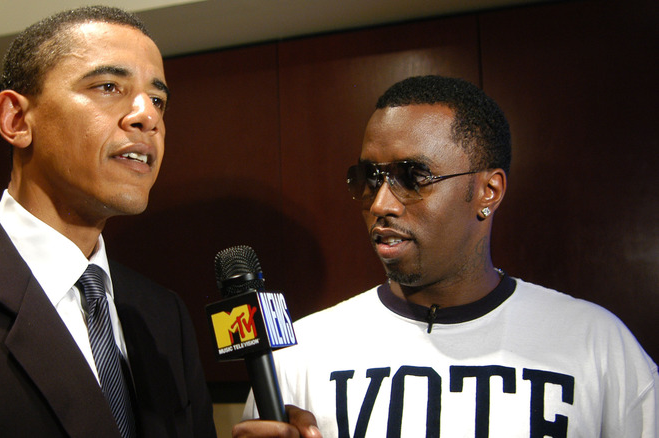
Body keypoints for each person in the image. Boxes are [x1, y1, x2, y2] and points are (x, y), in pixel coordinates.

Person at [236, 75, 657, 437]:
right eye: (369, 177)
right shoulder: (297, 357)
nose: (381, 203)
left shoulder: (597, 347)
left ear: (487, 192)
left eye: (412, 177)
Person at [0, 6, 216, 438]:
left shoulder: (162, 315)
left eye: (158, 100)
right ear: (15, 120)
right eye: (109, 86)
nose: (147, 116)